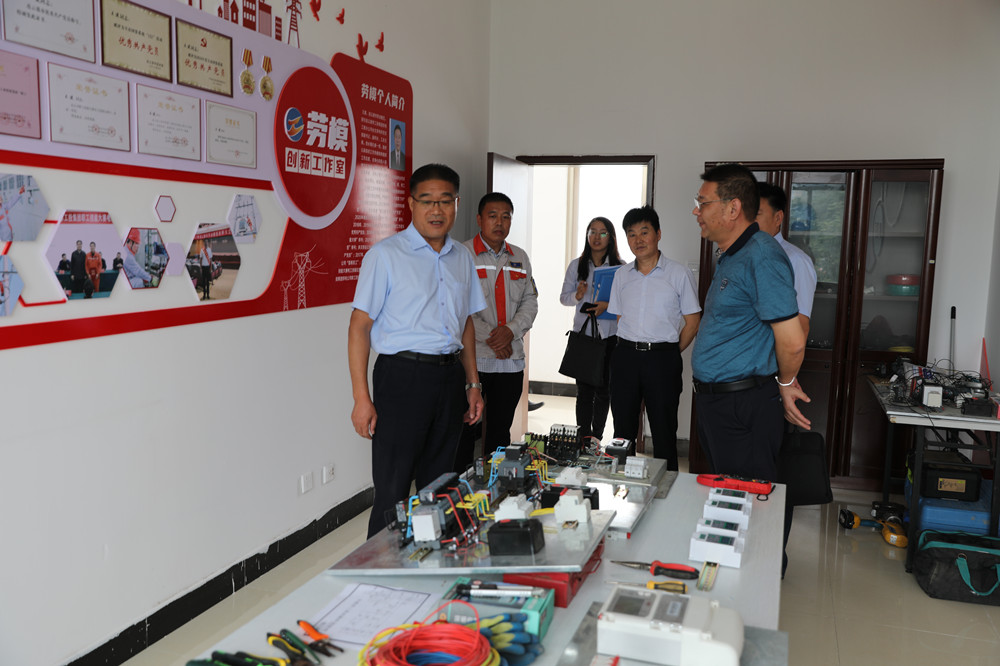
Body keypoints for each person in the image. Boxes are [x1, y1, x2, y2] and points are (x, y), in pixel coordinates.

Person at [349, 163, 486, 538]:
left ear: (456, 204)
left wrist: (473, 383)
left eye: (445, 200)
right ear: (411, 204)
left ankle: (429, 558)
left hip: (449, 377)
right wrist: (361, 398)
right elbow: (359, 326)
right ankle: (379, 566)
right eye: (427, 201)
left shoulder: (462, 257)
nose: (436, 210)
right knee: (393, 487)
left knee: (440, 484)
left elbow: (465, 322)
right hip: (402, 377)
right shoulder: (386, 255)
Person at [691, 163, 810, 483]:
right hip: (718, 401)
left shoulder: (762, 255)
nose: (696, 211)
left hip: (741, 404)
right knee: (728, 495)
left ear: (733, 208)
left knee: (747, 498)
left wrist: (785, 383)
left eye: (703, 203)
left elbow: (793, 341)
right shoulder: (732, 255)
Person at [606, 206, 701, 471]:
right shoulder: (621, 275)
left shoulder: (678, 274)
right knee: (622, 430)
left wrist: (670, 351)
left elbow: (693, 322)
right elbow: (620, 317)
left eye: (644, 232)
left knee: (663, 429)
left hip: (663, 359)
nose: (638, 240)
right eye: (631, 234)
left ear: (658, 234)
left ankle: (667, 488)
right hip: (625, 357)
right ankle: (621, 483)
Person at [453, 193, 538, 472]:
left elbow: (530, 301)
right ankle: (462, 484)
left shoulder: (520, 257)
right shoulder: (462, 254)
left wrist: (510, 332)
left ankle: (495, 483)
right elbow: (459, 308)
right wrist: (495, 337)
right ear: (479, 219)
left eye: (506, 217)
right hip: (474, 359)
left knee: (500, 431)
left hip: (510, 360)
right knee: (465, 428)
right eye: (493, 216)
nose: (499, 222)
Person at [559, 217, 623, 441]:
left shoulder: (620, 268)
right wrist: (577, 295)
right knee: (584, 392)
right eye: (592, 232)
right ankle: (583, 438)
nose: (596, 237)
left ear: (610, 237)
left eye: (602, 232)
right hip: (584, 337)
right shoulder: (576, 265)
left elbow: (626, 304)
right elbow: (563, 298)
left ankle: (596, 437)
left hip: (609, 337)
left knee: (604, 391)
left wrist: (608, 305)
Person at [757, 183, 817, 337]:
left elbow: (801, 326)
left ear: (778, 218)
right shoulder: (740, 256)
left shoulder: (796, 260)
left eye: (756, 214)